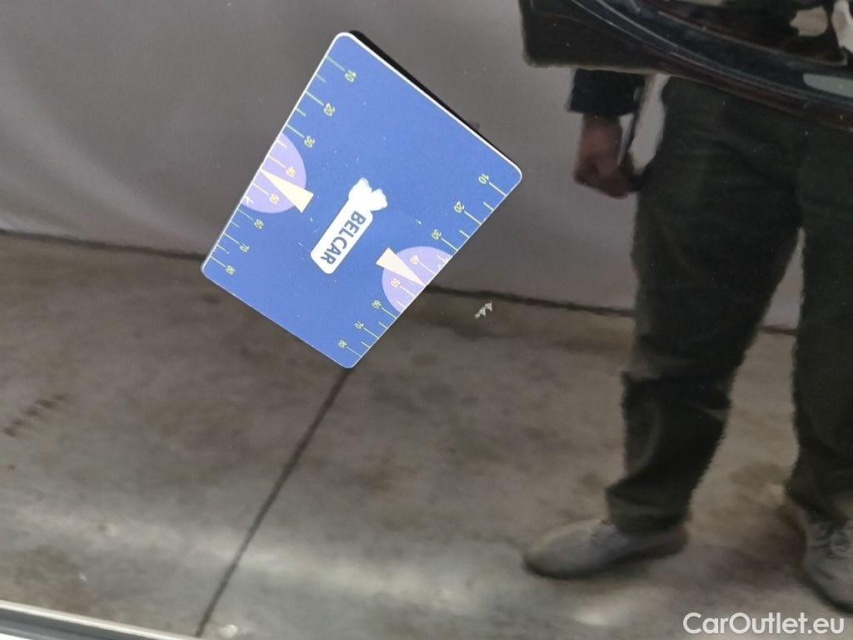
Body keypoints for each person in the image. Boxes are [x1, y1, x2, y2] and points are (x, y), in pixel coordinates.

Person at [523, 68, 853, 611]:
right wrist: (603, 108)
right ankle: (645, 512)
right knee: (682, 323)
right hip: (728, 87)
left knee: (846, 351)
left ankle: (832, 505)